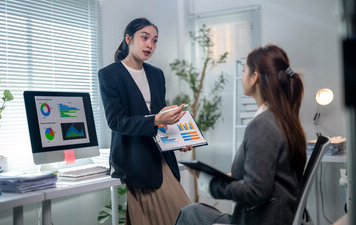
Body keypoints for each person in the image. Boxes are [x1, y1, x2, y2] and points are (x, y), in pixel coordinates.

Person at [174, 44, 307, 225]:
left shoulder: (262, 125)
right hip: (273, 217)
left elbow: (255, 191)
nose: (241, 76)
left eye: (245, 70)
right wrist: (210, 176)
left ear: (254, 77)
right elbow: (262, 177)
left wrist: (211, 183)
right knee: (193, 210)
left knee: (190, 213)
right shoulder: (283, 119)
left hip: (259, 220)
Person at [98, 18, 192, 225]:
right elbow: (116, 122)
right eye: (145, 37)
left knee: (176, 216)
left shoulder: (156, 75)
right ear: (128, 39)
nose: (150, 44)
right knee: (178, 216)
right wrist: (157, 119)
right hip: (134, 157)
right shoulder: (109, 75)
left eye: (155, 40)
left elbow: (161, 119)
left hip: (161, 156)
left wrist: (179, 138)